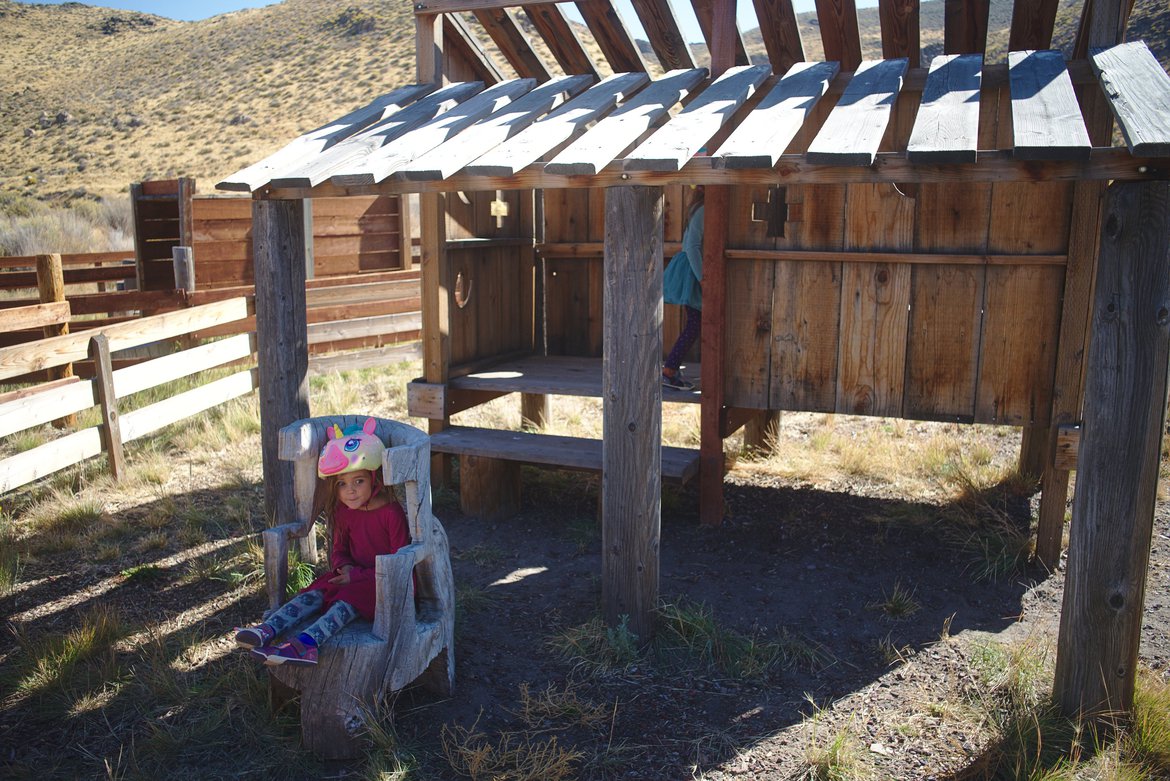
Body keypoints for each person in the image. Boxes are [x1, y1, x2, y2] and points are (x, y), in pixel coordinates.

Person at [234, 418, 410, 666]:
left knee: (346, 601)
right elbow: (339, 549)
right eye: (342, 484)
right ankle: (267, 630)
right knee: (315, 591)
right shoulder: (344, 511)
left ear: (375, 478)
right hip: (352, 576)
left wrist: (356, 577)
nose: (350, 491)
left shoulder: (391, 513)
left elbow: (401, 563)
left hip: (384, 584)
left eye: (358, 481)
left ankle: (306, 645)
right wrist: (344, 567)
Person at [662, 185, 704, 390]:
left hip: (694, 272)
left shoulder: (699, 208)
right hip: (694, 274)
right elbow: (692, 247)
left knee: (696, 323)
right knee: (696, 323)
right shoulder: (704, 210)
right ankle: (669, 370)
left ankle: (671, 369)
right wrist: (703, 277)